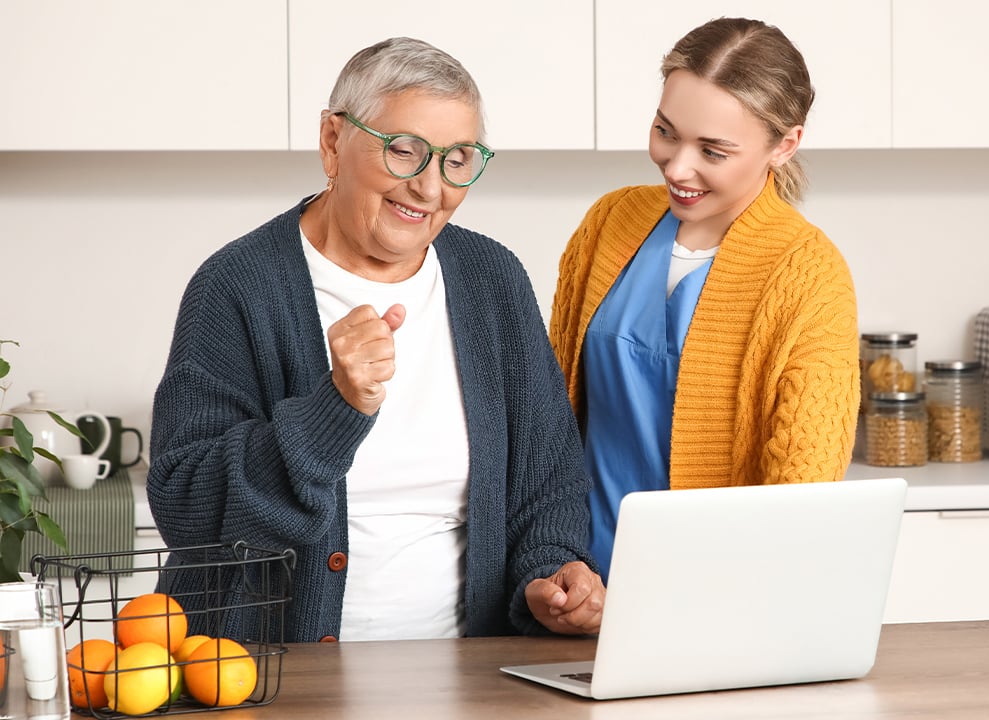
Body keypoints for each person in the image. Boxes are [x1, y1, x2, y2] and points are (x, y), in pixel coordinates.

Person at [148, 37, 604, 642]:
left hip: (466, 679)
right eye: (405, 151)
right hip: (275, 675)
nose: (430, 187)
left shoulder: (492, 280)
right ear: (333, 142)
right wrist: (333, 408)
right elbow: (185, 507)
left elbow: (547, 483)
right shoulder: (238, 285)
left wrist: (551, 575)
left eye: (458, 158)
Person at [549, 18, 860, 581]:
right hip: (574, 578)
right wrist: (547, 564)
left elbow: (801, 490)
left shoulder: (809, 274)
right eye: (666, 131)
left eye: (712, 151)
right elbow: (548, 416)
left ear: (784, 145)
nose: (676, 166)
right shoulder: (611, 222)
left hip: (715, 592)